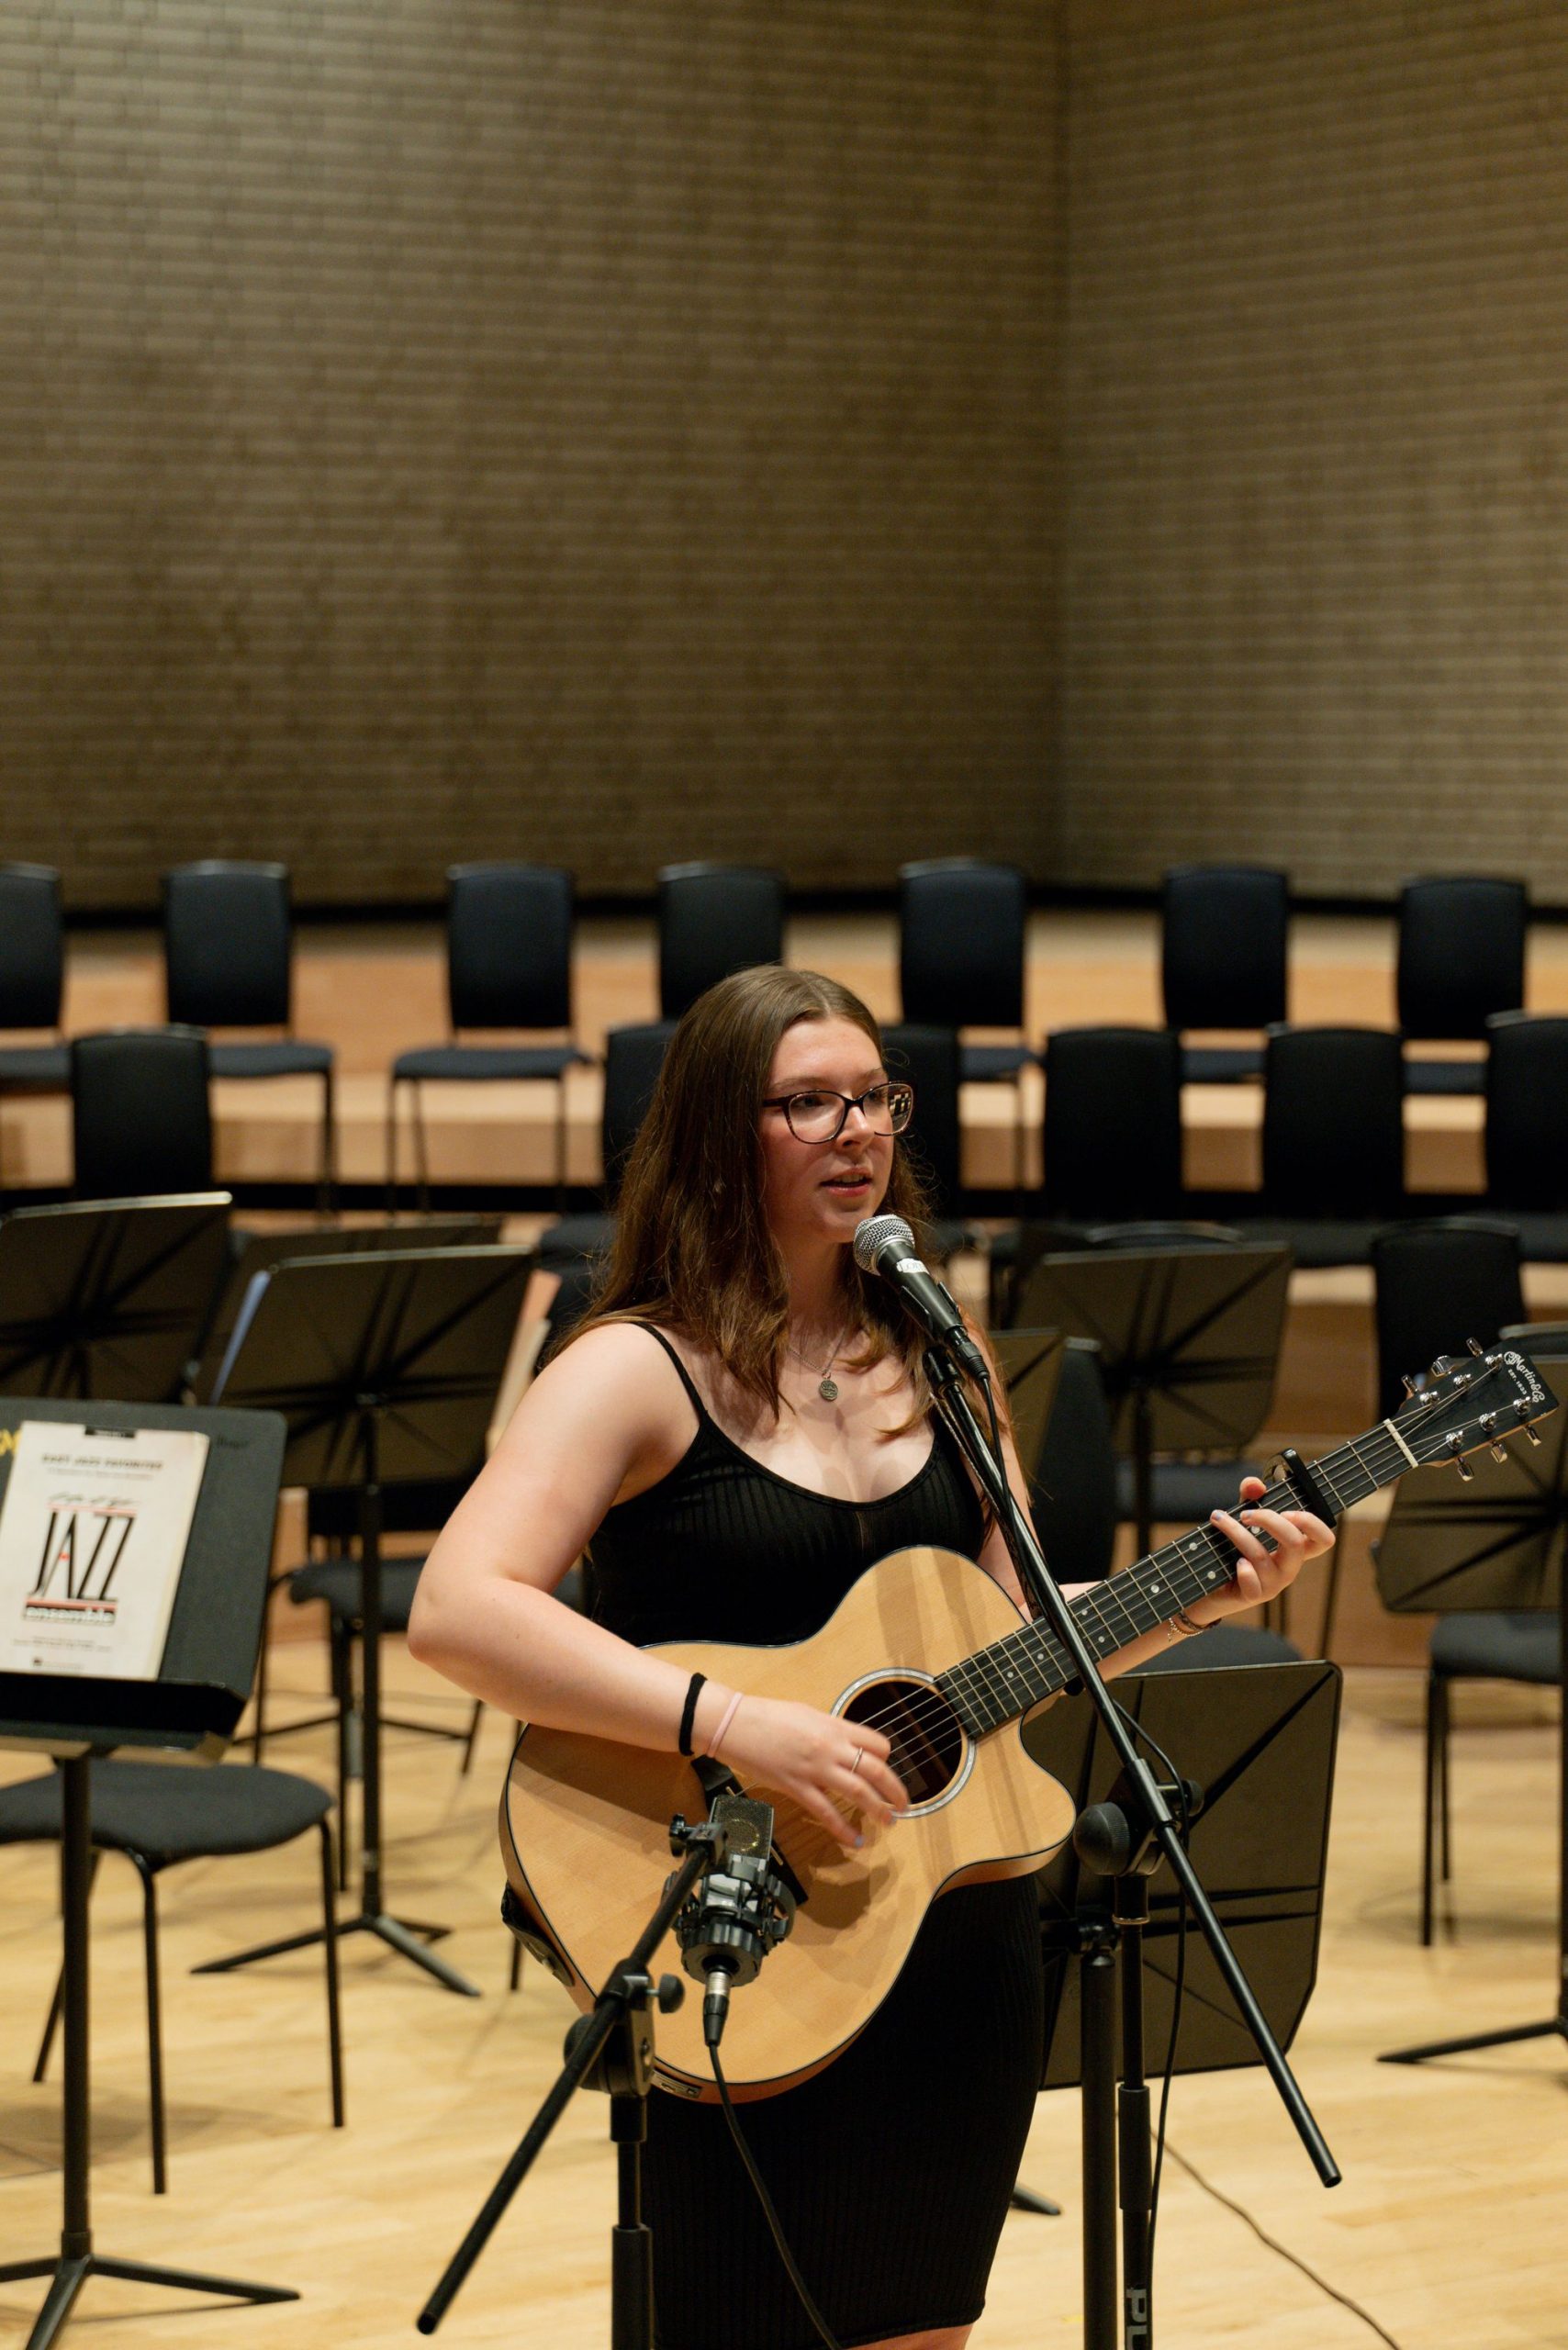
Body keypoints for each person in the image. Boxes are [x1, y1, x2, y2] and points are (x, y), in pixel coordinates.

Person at [409, 965, 1333, 2350]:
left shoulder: (941, 1361)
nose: (855, 1132)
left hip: (952, 1927)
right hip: (738, 1910)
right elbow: (460, 1609)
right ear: (725, 1134)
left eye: (873, 1099)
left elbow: (1023, 1637)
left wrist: (1205, 1593)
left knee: (917, 2326)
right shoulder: (631, 1368)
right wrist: (733, 1723)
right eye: (807, 1105)